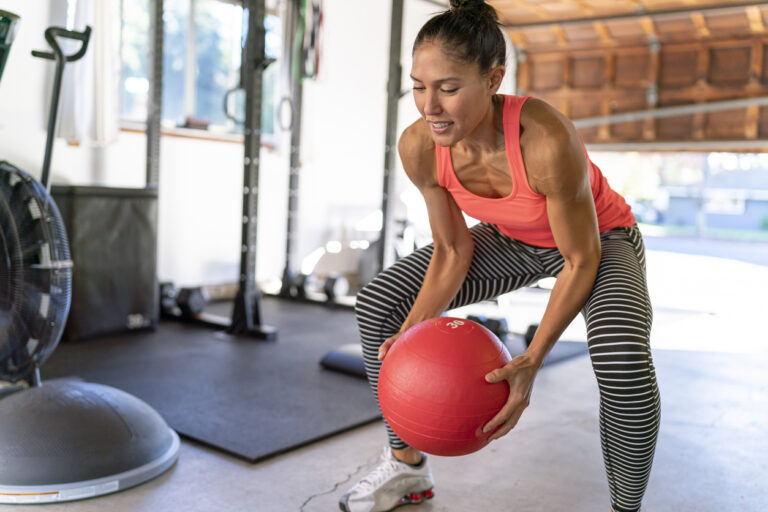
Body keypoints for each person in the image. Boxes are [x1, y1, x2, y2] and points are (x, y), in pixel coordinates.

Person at [339, 1, 661, 511]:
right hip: (513, 237)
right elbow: (451, 248)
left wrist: (531, 360)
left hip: (601, 239)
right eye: (419, 86)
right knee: (380, 304)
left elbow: (580, 258)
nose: (430, 106)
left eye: (448, 88)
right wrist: (411, 331)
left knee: (619, 349)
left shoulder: (545, 138)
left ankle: (627, 507)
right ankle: (406, 468)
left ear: (493, 79)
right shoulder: (420, 147)